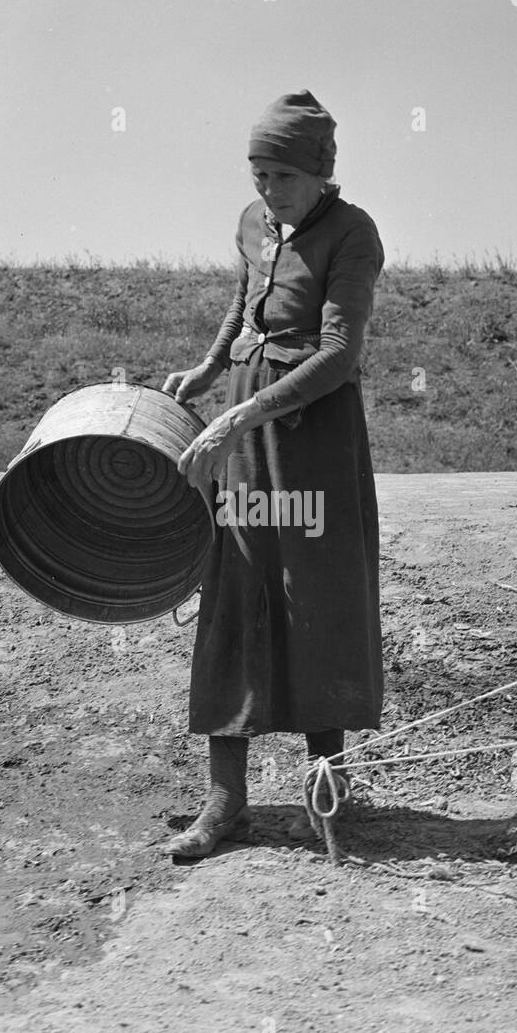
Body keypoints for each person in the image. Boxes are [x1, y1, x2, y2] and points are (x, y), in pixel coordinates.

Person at [161, 89, 384, 858]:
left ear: (321, 172)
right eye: (257, 174)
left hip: (311, 436)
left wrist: (236, 418)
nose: (266, 190)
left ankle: (327, 789)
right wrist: (209, 367)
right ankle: (225, 804)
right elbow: (244, 303)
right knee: (235, 589)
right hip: (245, 433)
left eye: (281, 176)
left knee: (314, 596)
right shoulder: (253, 224)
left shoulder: (352, 235)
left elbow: (337, 355)